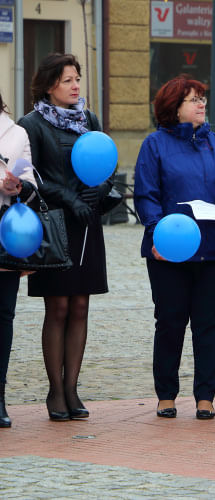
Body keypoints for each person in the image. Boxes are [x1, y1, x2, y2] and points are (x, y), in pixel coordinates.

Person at [134, 75, 215, 420]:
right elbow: (146, 195)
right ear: (173, 107)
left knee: (209, 325)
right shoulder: (155, 145)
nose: (201, 104)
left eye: (202, 98)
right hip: (169, 252)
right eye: (193, 99)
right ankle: (166, 394)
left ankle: (205, 397)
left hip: (212, 250)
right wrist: (157, 235)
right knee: (170, 322)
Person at [18, 53, 112, 422]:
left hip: (86, 221)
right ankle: (55, 391)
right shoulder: (32, 124)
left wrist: (99, 190)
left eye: (77, 79)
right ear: (49, 86)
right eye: (68, 80)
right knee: (57, 307)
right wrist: (68, 197)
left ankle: (72, 387)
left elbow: (105, 161)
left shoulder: (89, 119)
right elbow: (32, 175)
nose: (76, 86)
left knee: (80, 306)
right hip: (54, 223)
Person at [0, 91, 37, 428]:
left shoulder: (15, 133)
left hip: (4, 232)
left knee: (3, 317)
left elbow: (30, 181)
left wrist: (18, 187)